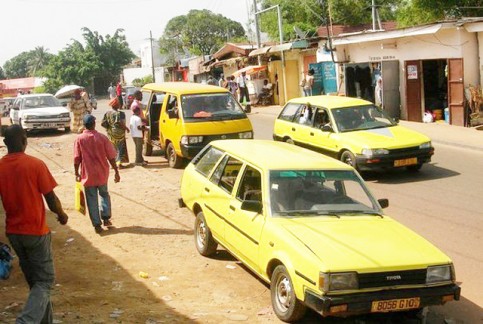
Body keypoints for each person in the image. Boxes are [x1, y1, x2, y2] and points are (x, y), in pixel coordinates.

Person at [0, 125, 68, 323]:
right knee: (45, 281)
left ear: (5, 143)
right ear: (24, 140)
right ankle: (27, 320)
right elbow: (51, 198)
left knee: (36, 283)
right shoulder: (35, 164)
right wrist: (62, 214)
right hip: (36, 232)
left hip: (14, 232)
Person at [74, 114, 120, 234]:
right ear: (94, 124)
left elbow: (76, 158)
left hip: (88, 174)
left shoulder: (79, 139)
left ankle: (97, 225)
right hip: (102, 173)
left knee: (91, 199)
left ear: (84, 125)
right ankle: (106, 218)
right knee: (104, 194)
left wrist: (76, 173)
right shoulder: (102, 138)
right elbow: (111, 156)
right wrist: (116, 171)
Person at [101, 97, 130, 168]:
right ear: (116, 105)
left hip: (111, 133)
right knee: (120, 148)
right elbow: (119, 123)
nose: (120, 104)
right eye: (118, 103)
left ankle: (113, 164)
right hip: (119, 134)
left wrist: (108, 128)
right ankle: (119, 164)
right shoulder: (119, 113)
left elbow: (102, 123)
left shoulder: (107, 113)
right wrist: (126, 128)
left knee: (112, 148)